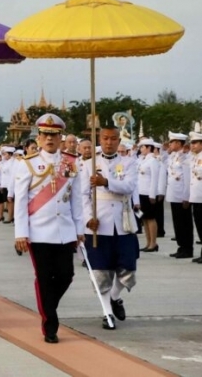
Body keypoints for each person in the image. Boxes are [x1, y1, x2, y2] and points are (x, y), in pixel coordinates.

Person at [14, 114, 84, 343]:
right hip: (39, 231)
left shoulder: (71, 163)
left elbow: (75, 200)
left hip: (64, 230)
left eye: (54, 135)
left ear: (60, 137)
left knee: (66, 275)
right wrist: (21, 233)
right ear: (39, 137)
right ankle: (50, 323)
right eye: (45, 135)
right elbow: (21, 202)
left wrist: (79, 228)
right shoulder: (28, 164)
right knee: (44, 277)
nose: (50, 139)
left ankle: (47, 304)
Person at [81, 126, 138, 330]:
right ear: (99, 139)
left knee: (128, 268)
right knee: (100, 272)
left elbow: (129, 186)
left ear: (118, 140)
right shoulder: (89, 165)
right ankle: (107, 312)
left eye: (113, 138)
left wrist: (106, 182)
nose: (109, 142)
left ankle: (115, 297)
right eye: (105, 138)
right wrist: (88, 218)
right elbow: (82, 196)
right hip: (99, 223)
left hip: (123, 222)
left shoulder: (129, 162)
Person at [166, 132, 193, 258]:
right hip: (174, 194)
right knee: (177, 223)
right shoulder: (173, 156)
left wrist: (186, 197)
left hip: (182, 195)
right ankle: (181, 246)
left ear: (178, 143)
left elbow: (187, 179)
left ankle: (187, 248)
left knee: (185, 223)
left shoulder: (185, 158)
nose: (169, 144)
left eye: (171, 142)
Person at [137, 139, 160, 252]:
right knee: (144, 218)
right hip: (140, 193)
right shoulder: (142, 160)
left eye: (143, 147)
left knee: (150, 218)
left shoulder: (153, 161)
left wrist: (152, 195)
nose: (141, 149)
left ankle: (153, 243)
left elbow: (154, 179)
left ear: (149, 148)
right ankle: (148, 242)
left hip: (148, 194)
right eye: (140, 147)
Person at [189, 131, 202, 264]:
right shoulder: (195, 157)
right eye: (191, 143)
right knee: (199, 225)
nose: (192, 146)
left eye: (195, 143)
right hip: (196, 196)